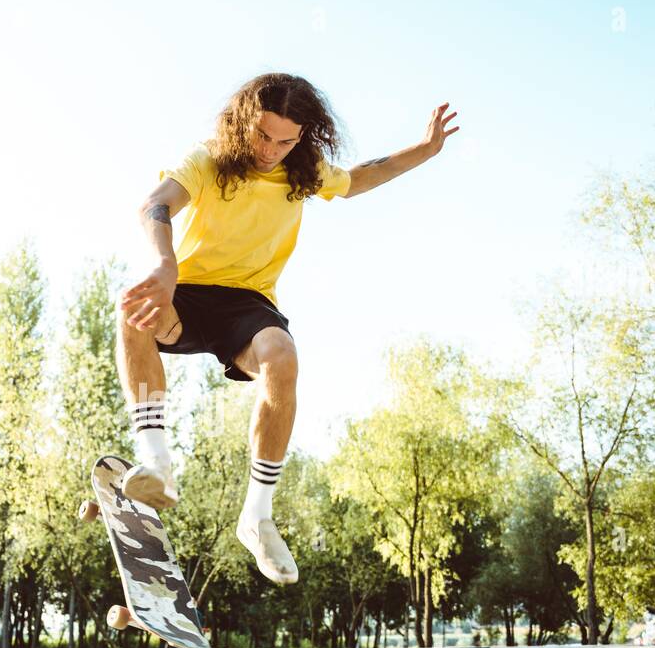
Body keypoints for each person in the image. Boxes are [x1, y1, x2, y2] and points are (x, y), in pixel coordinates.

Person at [118, 72, 459, 586]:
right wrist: (164, 265)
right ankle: (156, 461)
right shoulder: (208, 160)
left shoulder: (303, 171)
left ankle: (256, 516)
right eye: (262, 135)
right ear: (241, 123)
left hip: (247, 303)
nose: (271, 150)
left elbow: (361, 178)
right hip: (187, 291)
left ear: (302, 137)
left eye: (285, 140)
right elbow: (155, 204)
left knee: (282, 355)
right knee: (134, 309)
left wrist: (426, 150)